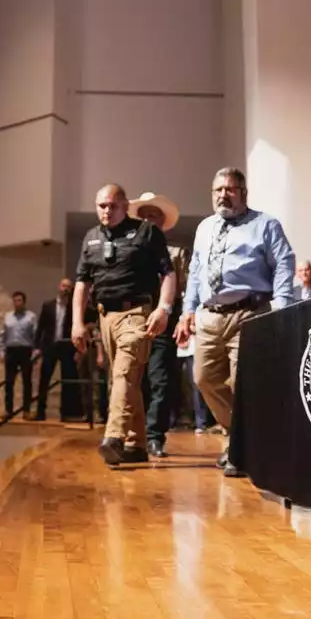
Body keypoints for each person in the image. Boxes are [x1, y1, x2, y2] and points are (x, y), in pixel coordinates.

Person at [174, 168, 295, 477]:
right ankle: (242, 438)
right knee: (204, 379)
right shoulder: (204, 228)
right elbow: (197, 271)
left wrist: (282, 305)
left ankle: (239, 449)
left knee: (244, 384)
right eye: (217, 190)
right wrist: (188, 310)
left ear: (243, 193)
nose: (223, 195)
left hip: (249, 315)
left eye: (230, 189)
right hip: (209, 317)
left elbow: (283, 261)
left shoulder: (265, 225)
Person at [72, 184, 176, 466]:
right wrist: (77, 323)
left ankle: (114, 436)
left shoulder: (147, 232)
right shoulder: (90, 237)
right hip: (105, 318)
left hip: (136, 315)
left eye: (112, 205)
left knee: (124, 374)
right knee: (126, 381)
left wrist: (163, 309)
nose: (106, 211)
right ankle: (137, 443)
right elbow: (82, 283)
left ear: (124, 205)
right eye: (101, 206)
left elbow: (168, 273)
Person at [128, 191, 188, 458]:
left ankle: (155, 436)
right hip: (133, 318)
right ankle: (134, 435)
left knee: (161, 380)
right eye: (144, 216)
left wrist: (183, 319)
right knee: (132, 379)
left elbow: (185, 290)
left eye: (154, 215)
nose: (149, 220)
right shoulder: (130, 251)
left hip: (165, 320)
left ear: (162, 221)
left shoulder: (176, 253)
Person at [34, 279, 79, 421]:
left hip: (66, 347)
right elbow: (40, 328)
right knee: (44, 379)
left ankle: (66, 413)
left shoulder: (73, 308)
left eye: (68, 287)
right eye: (64, 286)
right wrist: (37, 347)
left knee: (68, 380)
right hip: (50, 346)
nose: (65, 289)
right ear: (58, 287)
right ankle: (40, 412)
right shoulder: (48, 306)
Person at [0, 291, 37, 418]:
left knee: (27, 381)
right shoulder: (8, 317)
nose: (17, 303)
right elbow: (2, 335)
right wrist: (2, 351)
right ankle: (8, 410)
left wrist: (35, 352)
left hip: (25, 350)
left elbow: (36, 335)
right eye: (15, 300)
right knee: (9, 381)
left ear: (24, 302)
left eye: (19, 300)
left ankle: (26, 410)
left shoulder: (31, 317)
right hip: (11, 350)